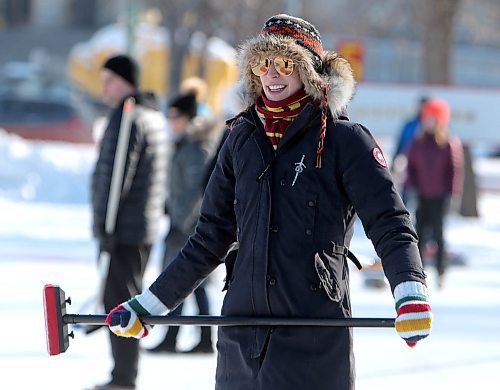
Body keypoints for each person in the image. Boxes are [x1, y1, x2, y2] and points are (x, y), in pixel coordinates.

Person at [104, 15, 432, 389]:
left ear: (308, 71)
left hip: (313, 334)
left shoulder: (345, 140)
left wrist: (409, 289)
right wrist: (151, 305)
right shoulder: (240, 139)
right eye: (263, 64)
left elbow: (389, 222)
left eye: (285, 64)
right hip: (241, 338)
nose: (272, 75)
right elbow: (209, 237)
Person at [89, 54, 169, 390]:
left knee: (120, 301)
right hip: (141, 225)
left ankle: (123, 376)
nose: (104, 86)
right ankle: (124, 372)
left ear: (125, 81)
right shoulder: (152, 116)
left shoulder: (129, 117)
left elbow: (117, 175)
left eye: (109, 79)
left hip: (124, 228)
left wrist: (105, 228)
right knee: (128, 297)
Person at [146, 92, 218, 354]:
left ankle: (196, 339)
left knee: (187, 282)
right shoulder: (184, 144)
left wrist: (181, 221)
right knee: (187, 284)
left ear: (188, 118)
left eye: (175, 117)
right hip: (180, 224)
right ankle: (179, 337)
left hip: (190, 228)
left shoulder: (197, 148)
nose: (171, 122)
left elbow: (199, 191)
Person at [406, 98, 464, 289]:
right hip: (422, 194)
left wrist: (452, 194)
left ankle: (441, 271)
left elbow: (454, 169)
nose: (430, 122)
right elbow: (411, 167)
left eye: (433, 119)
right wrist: (412, 188)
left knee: (438, 235)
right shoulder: (418, 141)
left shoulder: (448, 143)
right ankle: (419, 272)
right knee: (420, 234)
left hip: (440, 196)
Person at [391, 96, 429, 205]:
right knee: (406, 191)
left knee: (423, 194)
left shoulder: (432, 126)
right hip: (409, 163)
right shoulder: (410, 124)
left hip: (426, 166)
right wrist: (394, 161)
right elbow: (401, 143)